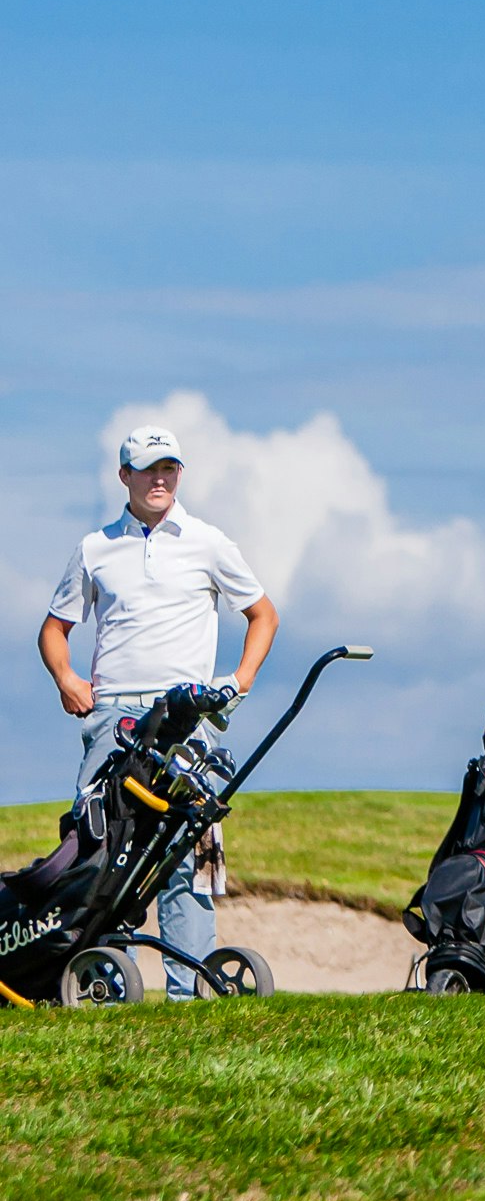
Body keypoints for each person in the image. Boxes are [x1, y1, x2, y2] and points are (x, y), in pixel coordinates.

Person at [38, 425, 279, 999]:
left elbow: (263, 614)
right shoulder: (95, 547)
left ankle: (188, 990)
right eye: (148, 469)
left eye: (169, 468)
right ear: (125, 476)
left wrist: (237, 683)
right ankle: (100, 981)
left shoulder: (209, 541)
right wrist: (67, 678)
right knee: (100, 849)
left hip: (187, 715)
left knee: (185, 851)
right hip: (114, 716)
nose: (160, 479)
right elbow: (54, 630)